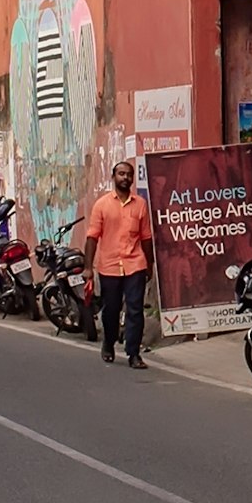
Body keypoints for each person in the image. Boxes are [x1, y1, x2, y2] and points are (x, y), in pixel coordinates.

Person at [83, 156, 154, 367]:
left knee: (135, 309)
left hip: (135, 264)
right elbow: (92, 237)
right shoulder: (102, 205)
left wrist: (149, 265)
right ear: (113, 177)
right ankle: (109, 342)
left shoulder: (140, 205)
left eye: (129, 175)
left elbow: (146, 237)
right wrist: (88, 268)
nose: (126, 178)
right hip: (110, 266)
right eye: (121, 174)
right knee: (111, 309)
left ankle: (133, 354)